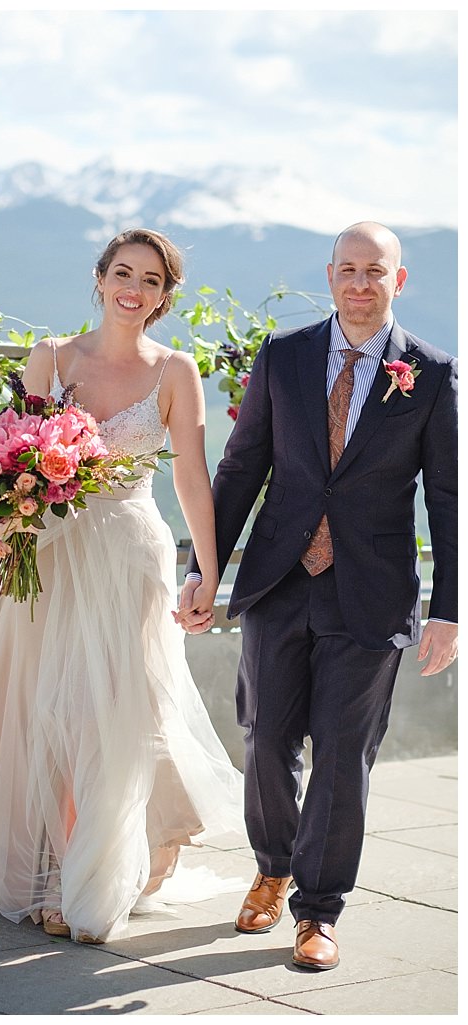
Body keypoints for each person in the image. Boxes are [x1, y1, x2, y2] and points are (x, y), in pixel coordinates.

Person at [0, 227, 244, 944]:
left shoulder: (175, 370)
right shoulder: (50, 357)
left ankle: (92, 870)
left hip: (130, 556)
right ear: (100, 276)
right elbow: (13, 457)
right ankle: (49, 873)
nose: (132, 290)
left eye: (149, 280)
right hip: (49, 551)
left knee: (108, 709)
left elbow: (192, 477)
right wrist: (8, 522)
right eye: (121, 272)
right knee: (45, 704)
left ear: (165, 296)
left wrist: (208, 570)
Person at [180, 221, 458, 971]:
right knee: (266, 734)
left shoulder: (431, 373)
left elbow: (447, 498)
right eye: (347, 270)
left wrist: (449, 608)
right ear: (329, 275)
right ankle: (274, 865)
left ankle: (318, 910)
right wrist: (203, 569)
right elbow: (240, 470)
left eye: (375, 271)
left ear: (398, 282)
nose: (360, 284)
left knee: (342, 753)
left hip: (373, 594)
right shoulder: (284, 356)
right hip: (279, 581)